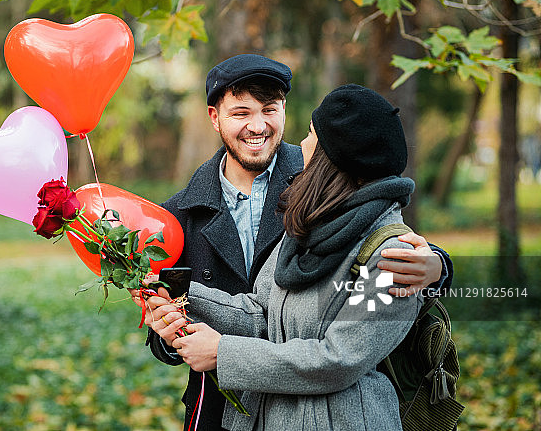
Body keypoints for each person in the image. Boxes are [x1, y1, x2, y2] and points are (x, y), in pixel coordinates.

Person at [140, 55, 452, 431]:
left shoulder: (392, 256)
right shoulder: (307, 226)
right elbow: (261, 313)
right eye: (241, 112)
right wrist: (176, 291)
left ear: (332, 158)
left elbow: (339, 359)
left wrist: (224, 354)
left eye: (310, 135)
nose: (300, 144)